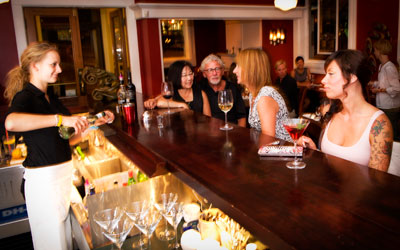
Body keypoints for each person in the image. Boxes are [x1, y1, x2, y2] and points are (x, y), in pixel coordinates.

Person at [4, 42, 114, 250]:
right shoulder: (26, 97)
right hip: (44, 186)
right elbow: (11, 122)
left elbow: (66, 139)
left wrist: (93, 124)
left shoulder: (51, 99)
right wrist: (59, 119)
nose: (60, 70)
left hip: (62, 181)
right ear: (35, 66)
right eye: (53, 64)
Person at [299, 49, 393, 171]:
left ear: (352, 77)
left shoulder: (379, 124)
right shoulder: (331, 114)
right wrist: (315, 151)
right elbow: (331, 166)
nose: (323, 80)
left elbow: (378, 183)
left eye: (331, 74)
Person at [233, 48, 291, 141]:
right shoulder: (254, 94)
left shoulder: (265, 97)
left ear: (250, 70)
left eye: (238, 66)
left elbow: (268, 141)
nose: (234, 71)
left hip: (281, 151)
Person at [144, 60, 211, 116]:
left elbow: (208, 119)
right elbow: (159, 103)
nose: (189, 78)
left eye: (191, 74)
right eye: (184, 75)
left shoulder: (201, 94)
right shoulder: (172, 93)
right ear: (176, 77)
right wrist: (182, 105)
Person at [199, 54, 247, 127]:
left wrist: (239, 134)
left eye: (217, 69)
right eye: (210, 70)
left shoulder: (233, 88)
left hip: (233, 131)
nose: (214, 73)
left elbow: (242, 117)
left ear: (222, 71)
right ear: (204, 74)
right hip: (210, 132)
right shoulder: (200, 89)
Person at [368, 39, 400, 141]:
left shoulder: (389, 68)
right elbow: (384, 83)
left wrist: (378, 91)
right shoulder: (382, 66)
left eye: (375, 50)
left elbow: (396, 88)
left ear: (380, 51)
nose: (374, 52)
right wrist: (373, 83)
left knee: (391, 136)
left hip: (390, 107)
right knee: (385, 135)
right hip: (383, 106)